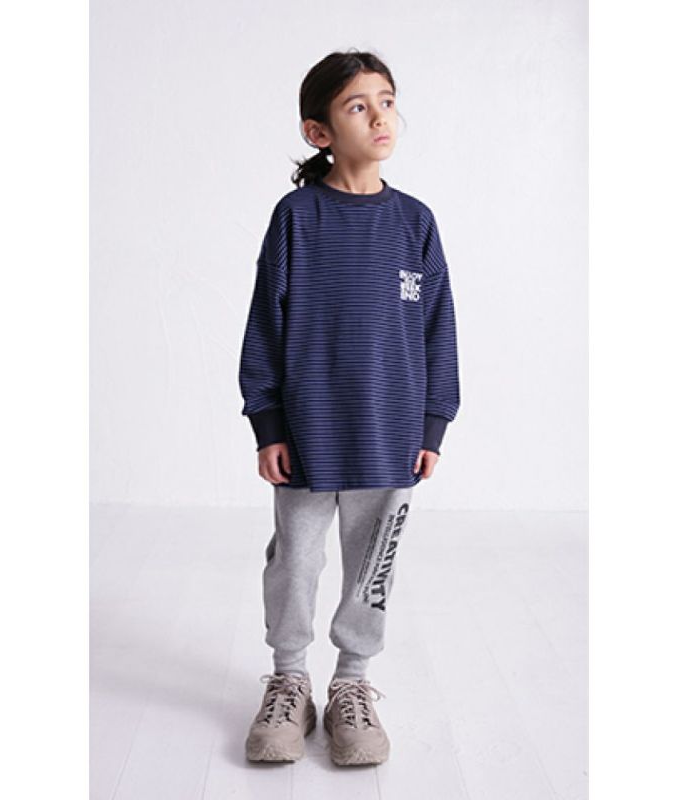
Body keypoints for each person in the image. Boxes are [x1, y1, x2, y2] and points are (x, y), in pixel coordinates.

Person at [238, 49, 461, 766]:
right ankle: (289, 681)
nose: (379, 116)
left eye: (386, 101)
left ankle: (352, 685)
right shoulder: (296, 218)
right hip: (306, 435)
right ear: (319, 131)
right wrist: (268, 423)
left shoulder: (415, 223)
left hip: (389, 436)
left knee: (372, 569)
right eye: (357, 106)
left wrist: (432, 424)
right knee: (295, 563)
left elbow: (438, 329)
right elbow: (265, 323)